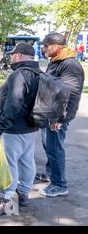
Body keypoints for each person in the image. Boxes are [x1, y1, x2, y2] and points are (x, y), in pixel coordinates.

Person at [0, 43, 41, 216]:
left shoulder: (20, 74)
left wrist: (0, 127)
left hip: (15, 128)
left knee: (9, 163)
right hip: (32, 127)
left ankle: (6, 200)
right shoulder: (39, 74)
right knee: (27, 160)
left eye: (13, 54)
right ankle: (23, 194)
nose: (11, 57)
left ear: (19, 56)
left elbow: (13, 103)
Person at [35, 33, 85, 197]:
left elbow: (70, 95)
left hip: (57, 117)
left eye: (46, 46)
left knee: (55, 149)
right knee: (49, 146)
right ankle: (51, 175)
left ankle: (59, 185)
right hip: (50, 114)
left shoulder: (70, 65)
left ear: (55, 46)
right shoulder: (57, 61)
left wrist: (60, 119)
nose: (43, 49)